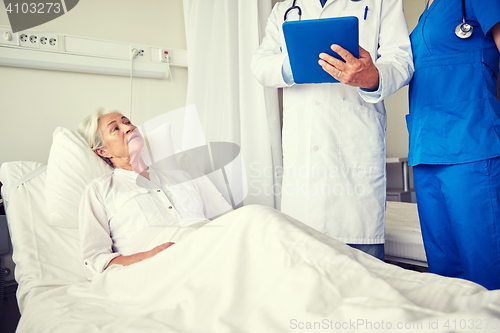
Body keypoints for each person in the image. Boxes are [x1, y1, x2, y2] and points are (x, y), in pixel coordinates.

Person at [251, 0, 414, 260]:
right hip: (303, 175)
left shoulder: (382, 2)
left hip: (354, 174)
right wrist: (300, 62)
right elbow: (260, 64)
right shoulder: (285, 9)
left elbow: (402, 61)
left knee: (365, 283)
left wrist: (371, 77)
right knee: (305, 284)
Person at [407, 0, 500, 290]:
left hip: (471, 143)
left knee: (485, 270)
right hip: (426, 151)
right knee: (444, 274)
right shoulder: (428, 9)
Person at [78, 108, 232, 280]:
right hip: (163, 268)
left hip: (214, 248)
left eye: (127, 122)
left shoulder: (181, 176)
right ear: (103, 151)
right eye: (115, 129)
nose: (128, 128)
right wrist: (147, 257)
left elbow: (224, 220)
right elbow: (94, 261)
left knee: (257, 217)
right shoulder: (100, 191)